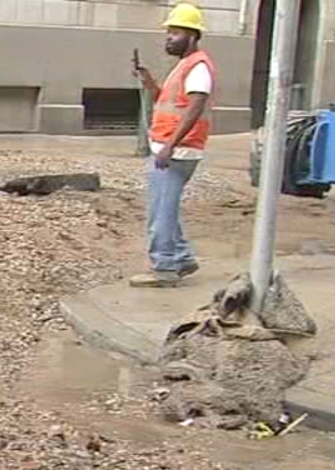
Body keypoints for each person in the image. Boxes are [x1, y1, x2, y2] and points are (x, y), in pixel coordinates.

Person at [130, 3, 214, 287]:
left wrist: (170, 146)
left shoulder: (198, 67)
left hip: (177, 150)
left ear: (192, 36)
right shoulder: (184, 66)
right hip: (169, 147)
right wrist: (149, 81)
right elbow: (165, 101)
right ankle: (180, 257)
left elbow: (195, 107)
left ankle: (164, 267)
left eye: (175, 33)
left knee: (160, 212)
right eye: (169, 32)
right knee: (164, 208)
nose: (169, 38)